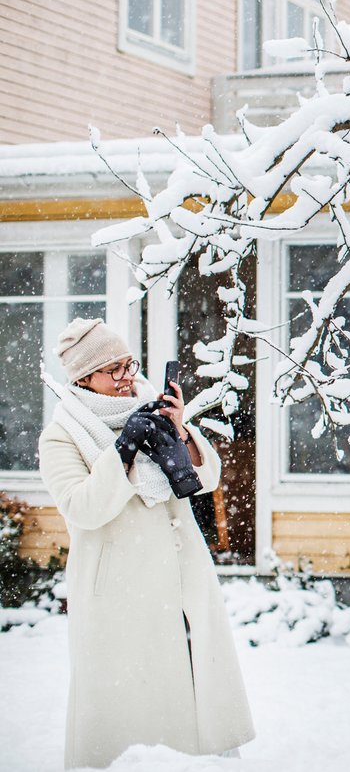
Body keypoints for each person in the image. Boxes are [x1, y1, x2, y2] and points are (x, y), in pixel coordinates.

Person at [38, 318, 254, 769]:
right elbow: (82, 508)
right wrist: (123, 449)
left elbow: (203, 479)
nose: (127, 377)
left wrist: (180, 431)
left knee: (190, 700)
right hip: (118, 591)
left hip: (179, 580)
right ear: (84, 379)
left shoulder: (150, 410)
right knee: (127, 713)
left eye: (128, 364)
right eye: (113, 369)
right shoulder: (62, 435)